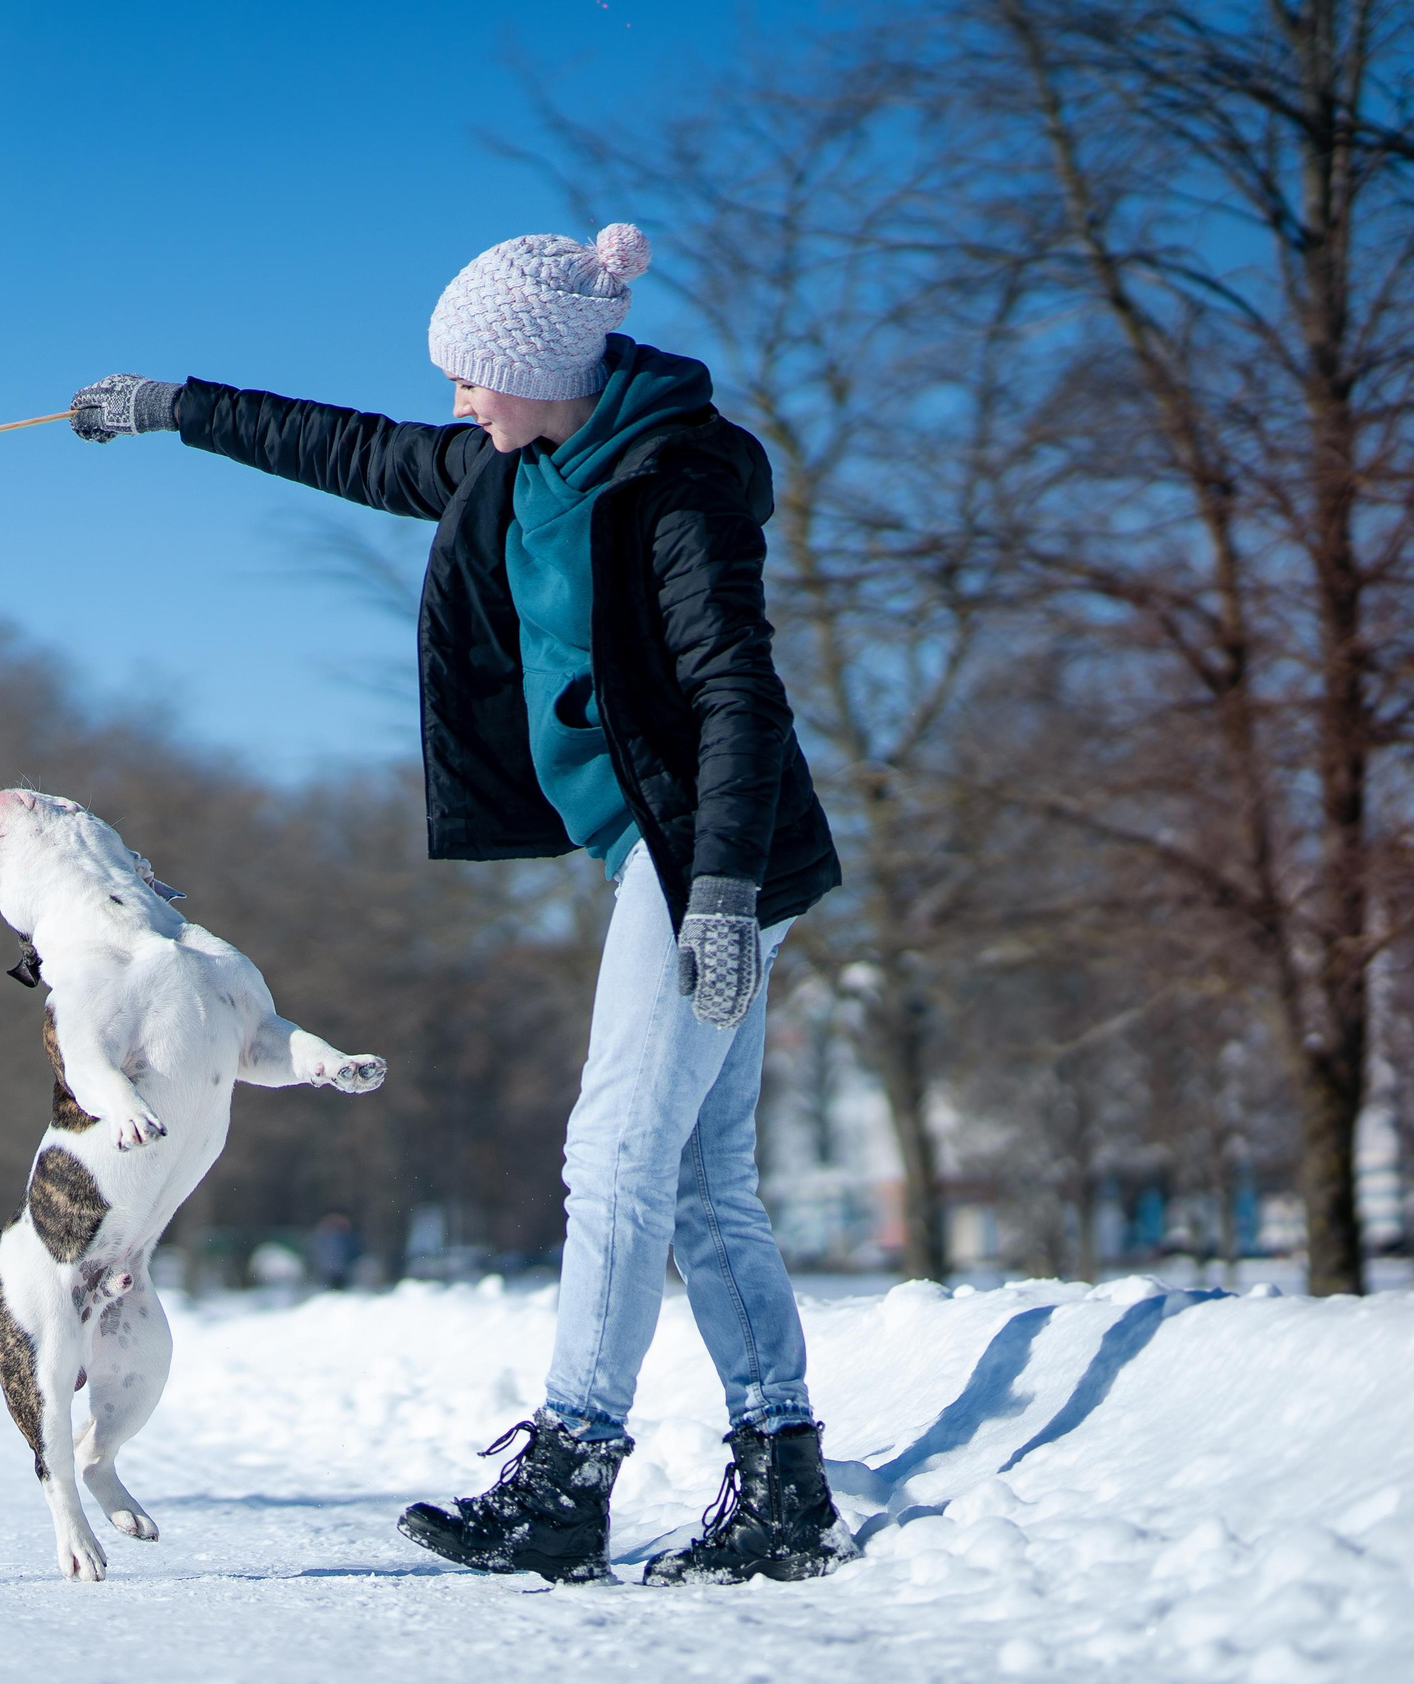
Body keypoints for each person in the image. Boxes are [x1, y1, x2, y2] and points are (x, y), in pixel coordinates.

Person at [66, 222, 854, 1588]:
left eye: (473, 379)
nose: (457, 406)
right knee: (703, 1176)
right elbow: (353, 448)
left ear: (544, 368)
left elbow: (738, 692)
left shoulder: (677, 486)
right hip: (666, 856)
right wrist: (174, 409)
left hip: (709, 853)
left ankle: (570, 1470)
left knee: (613, 1158)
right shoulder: (512, 466)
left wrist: (718, 890)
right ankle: (783, 1479)